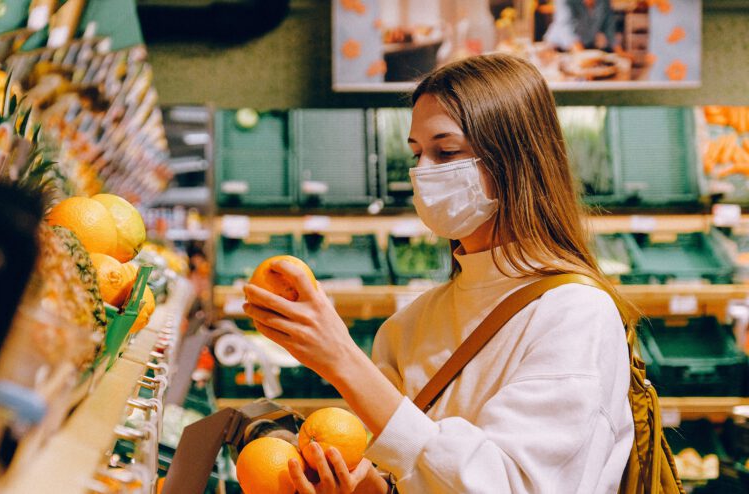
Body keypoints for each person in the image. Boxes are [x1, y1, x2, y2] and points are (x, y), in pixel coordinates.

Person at [242, 53, 635, 493]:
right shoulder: (410, 326)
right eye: (416, 153)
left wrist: (342, 360)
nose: (423, 173)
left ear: (516, 160)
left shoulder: (575, 314)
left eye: (446, 151)